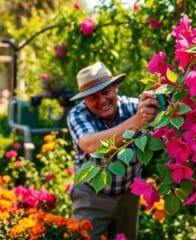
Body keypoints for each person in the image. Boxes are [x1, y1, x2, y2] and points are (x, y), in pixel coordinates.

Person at [67, 61, 160, 240]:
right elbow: (91, 145)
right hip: (91, 198)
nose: (101, 100)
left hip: (128, 196)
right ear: (84, 100)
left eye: (105, 92)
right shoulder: (78, 114)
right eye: (93, 96)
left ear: (116, 88)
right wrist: (137, 122)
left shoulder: (134, 107)